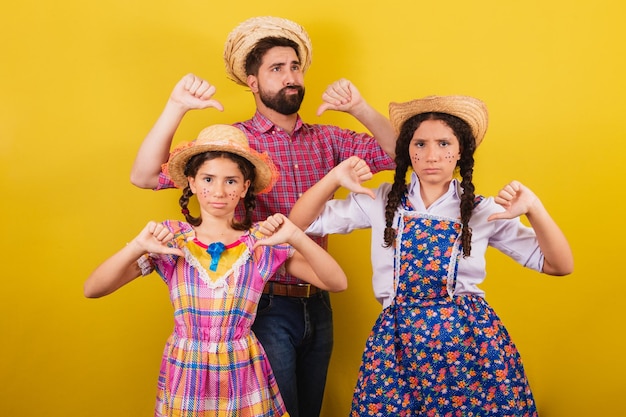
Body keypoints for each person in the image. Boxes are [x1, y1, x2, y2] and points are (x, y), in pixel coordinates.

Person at [129, 16, 396, 417]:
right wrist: (176, 107)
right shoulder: (235, 145)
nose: (290, 77)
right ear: (253, 82)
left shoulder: (329, 139)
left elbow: (400, 155)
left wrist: (359, 107)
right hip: (260, 304)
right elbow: (145, 175)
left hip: (317, 299)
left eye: (295, 67)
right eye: (276, 69)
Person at [288, 95, 574, 416]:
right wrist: (333, 179)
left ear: (461, 150)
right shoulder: (380, 201)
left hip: (468, 345)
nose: (431, 155)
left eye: (443, 143)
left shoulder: (482, 211)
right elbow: (299, 224)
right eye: (420, 144)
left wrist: (535, 209)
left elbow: (559, 265)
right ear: (407, 151)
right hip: (397, 344)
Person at [84, 124, 349, 417]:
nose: (219, 191)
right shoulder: (173, 240)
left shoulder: (260, 242)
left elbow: (336, 282)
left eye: (231, 181)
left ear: (245, 187)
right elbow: (93, 289)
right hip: (187, 373)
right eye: (208, 179)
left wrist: (296, 236)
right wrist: (135, 246)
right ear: (192, 183)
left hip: (244, 374)